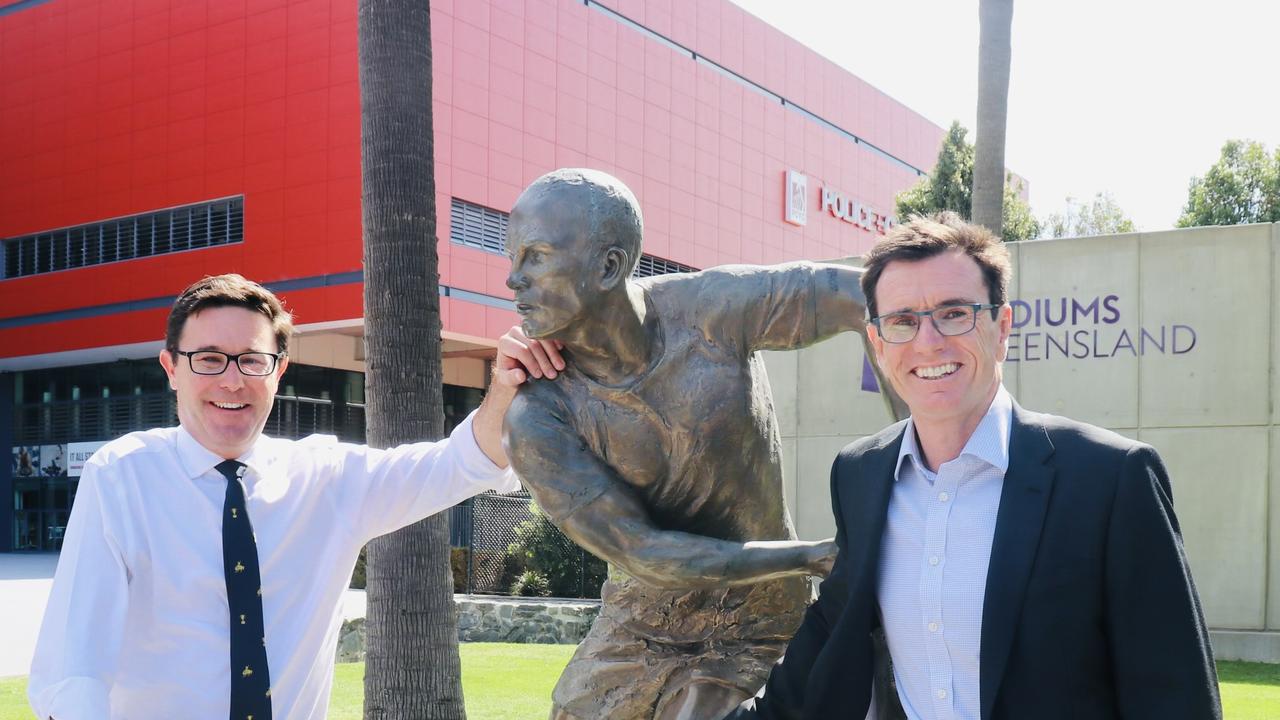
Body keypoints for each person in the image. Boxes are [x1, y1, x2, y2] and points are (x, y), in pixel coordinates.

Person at [727, 213, 1222, 720]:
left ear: (1001, 326)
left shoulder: (1111, 479)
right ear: (877, 342)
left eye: (955, 313)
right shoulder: (860, 474)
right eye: (902, 321)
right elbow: (832, 629)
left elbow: (1175, 693)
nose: (928, 342)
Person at [27, 273, 563, 720]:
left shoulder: (327, 478)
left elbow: (460, 463)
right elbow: (75, 667)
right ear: (171, 369)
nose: (232, 382)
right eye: (208, 359)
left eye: (251, 361)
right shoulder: (121, 477)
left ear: (278, 370)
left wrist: (505, 387)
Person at [500, 168, 897, 720]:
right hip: (643, 619)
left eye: (536, 256)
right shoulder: (539, 416)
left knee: (702, 711)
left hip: (760, 609)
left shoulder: (710, 310)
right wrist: (812, 556)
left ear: (609, 266)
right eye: (512, 256)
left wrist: (915, 460)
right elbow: (644, 552)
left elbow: (862, 297)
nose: (512, 280)